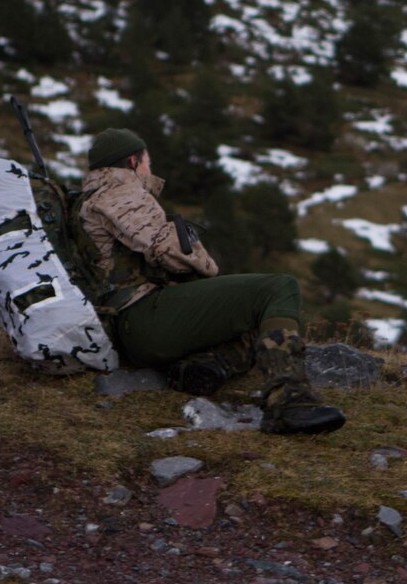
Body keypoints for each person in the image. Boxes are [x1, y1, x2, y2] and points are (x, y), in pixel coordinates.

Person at [78, 128, 345, 435]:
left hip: (130, 325)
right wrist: (204, 263)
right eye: (147, 161)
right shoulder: (120, 192)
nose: (150, 168)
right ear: (133, 160)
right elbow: (174, 253)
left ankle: (204, 368)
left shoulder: (91, 197)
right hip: (143, 318)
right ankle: (289, 400)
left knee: (255, 324)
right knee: (279, 287)